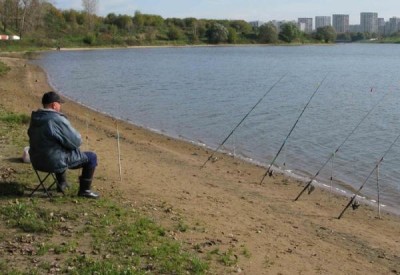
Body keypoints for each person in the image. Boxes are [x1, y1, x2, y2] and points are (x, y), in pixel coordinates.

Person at [28, 91, 99, 199]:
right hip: (52, 162)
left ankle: (62, 183)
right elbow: (76, 141)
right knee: (92, 157)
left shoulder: (36, 118)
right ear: (54, 105)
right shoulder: (56, 119)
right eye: (59, 104)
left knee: (56, 147)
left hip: (36, 161)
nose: (60, 106)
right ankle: (85, 190)